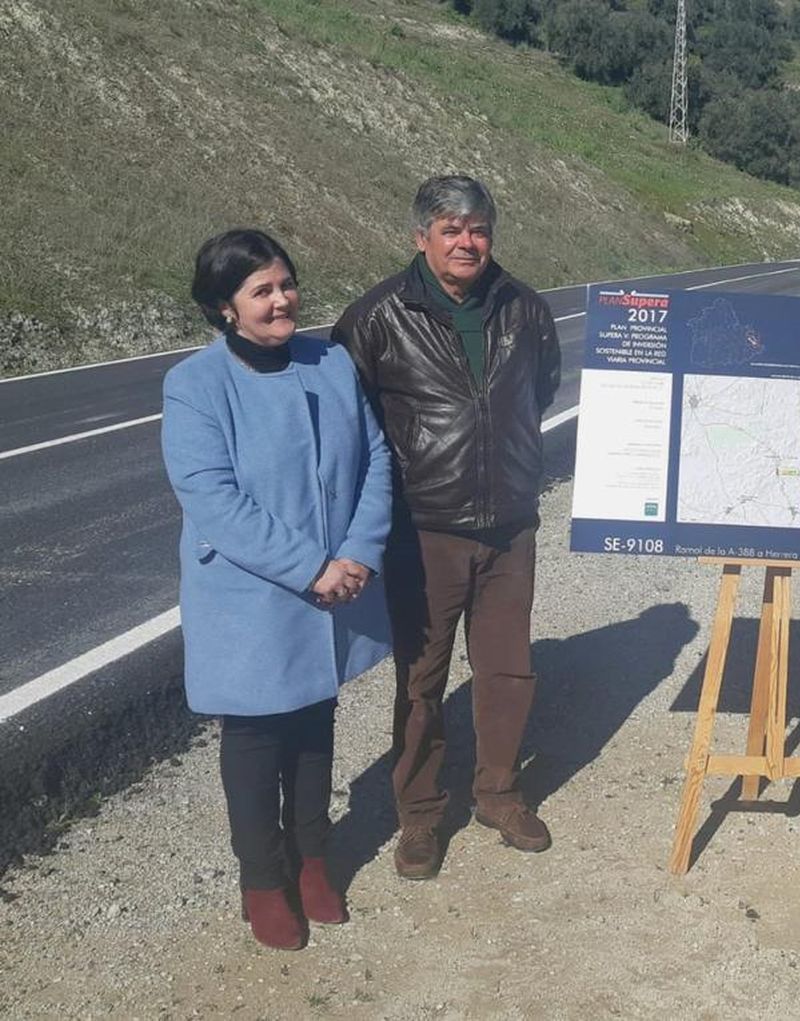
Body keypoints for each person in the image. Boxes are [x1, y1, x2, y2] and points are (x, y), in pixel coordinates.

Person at [162, 229, 392, 951]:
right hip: (251, 593)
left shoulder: (330, 362)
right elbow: (211, 495)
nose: (282, 299)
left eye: (286, 283)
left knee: (315, 726)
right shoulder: (196, 385)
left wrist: (357, 551)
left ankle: (313, 860)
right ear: (224, 308)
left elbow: (377, 457)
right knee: (257, 736)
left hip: (333, 581)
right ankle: (263, 880)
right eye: (261, 290)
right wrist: (312, 566)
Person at [334, 175, 562, 880]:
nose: (468, 242)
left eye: (479, 228)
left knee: (507, 669)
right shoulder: (377, 317)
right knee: (420, 680)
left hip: (509, 525)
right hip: (424, 528)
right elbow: (350, 420)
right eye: (451, 229)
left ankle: (497, 791)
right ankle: (421, 815)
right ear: (421, 237)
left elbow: (541, 387)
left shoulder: (524, 307)